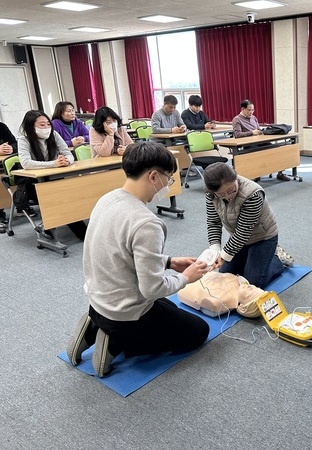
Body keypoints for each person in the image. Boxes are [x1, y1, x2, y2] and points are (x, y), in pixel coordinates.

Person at [65, 141, 211, 378]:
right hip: (125, 314)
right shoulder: (147, 223)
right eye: (168, 177)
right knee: (198, 331)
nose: (168, 183)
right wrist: (185, 278)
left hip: (97, 301)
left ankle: (95, 325)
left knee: (168, 308)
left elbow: (118, 252)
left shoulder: (107, 199)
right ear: (153, 176)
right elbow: (153, 288)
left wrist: (169, 262)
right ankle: (116, 342)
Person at [203, 162, 294, 289]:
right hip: (238, 238)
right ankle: (251, 259)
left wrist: (223, 256)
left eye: (231, 190)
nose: (228, 197)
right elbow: (213, 222)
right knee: (225, 275)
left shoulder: (253, 193)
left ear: (236, 178)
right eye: (221, 195)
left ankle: (277, 259)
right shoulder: (211, 193)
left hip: (263, 238)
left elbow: (243, 231)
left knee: (253, 282)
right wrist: (215, 250)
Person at [17, 110, 87, 240]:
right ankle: (79, 232)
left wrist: (67, 161)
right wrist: (53, 164)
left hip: (56, 178)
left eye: (48, 124)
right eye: (42, 125)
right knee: (60, 196)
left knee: (72, 192)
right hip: (33, 184)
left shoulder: (53, 134)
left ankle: (52, 226)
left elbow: (68, 153)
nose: (46, 128)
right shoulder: (24, 140)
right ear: (31, 126)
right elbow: (26, 163)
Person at [232, 99, 290, 182]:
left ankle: (280, 173)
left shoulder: (254, 118)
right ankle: (256, 173)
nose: (251, 112)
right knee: (258, 153)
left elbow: (259, 129)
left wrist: (262, 132)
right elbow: (237, 135)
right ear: (242, 109)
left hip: (259, 141)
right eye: (249, 110)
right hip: (248, 144)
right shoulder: (237, 119)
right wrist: (251, 132)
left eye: (253, 110)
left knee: (277, 150)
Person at [0, 121, 18, 232]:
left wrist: (12, 148)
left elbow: (15, 143)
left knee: (19, 171)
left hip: (3, 164)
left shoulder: (1, 127)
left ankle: (21, 203)